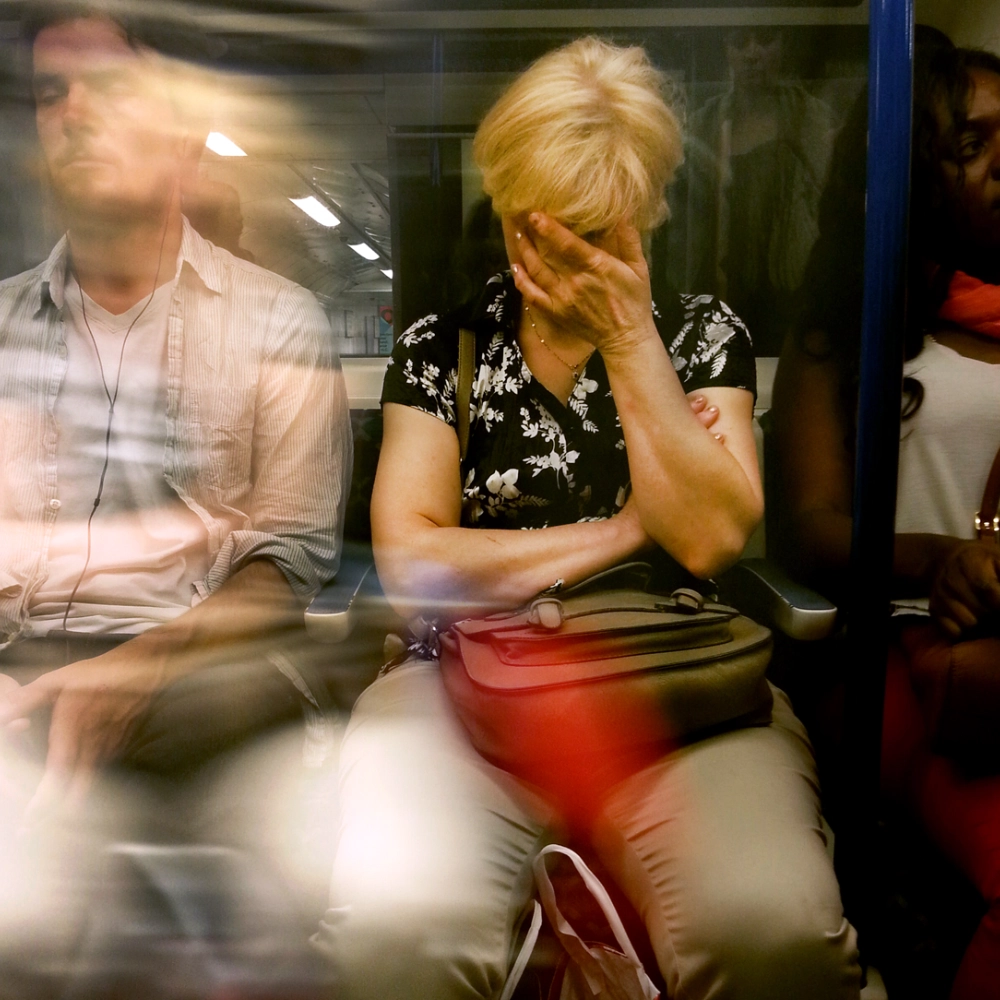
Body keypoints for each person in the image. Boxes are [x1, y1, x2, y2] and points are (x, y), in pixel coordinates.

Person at [314, 36, 861, 1000]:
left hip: (682, 677)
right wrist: (623, 530)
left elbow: (713, 538)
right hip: (461, 681)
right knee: (396, 935)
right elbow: (414, 562)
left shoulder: (702, 336)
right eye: (544, 226)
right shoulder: (446, 348)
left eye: (598, 232)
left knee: (774, 932)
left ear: (646, 210)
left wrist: (627, 335)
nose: (565, 255)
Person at [0, 1, 350, 894]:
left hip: (201, 661)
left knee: (220, 900)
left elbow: (287, 561)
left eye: (109, 88)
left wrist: (134, 671)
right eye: (51, 93)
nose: (72, 112)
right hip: (21, 656)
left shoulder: (279, 321)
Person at [773, 40, 1000, 1000]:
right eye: (974, 143)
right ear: (912, 171)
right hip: (900, 655)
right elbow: (812, 531)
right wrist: (944, 561)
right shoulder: (852, 321)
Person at [665, 27, 833, 356]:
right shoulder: (704, 122)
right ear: (727, 51)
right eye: (740, 42)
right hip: (718, 284)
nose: (752, 53)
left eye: (767, 39)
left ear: (783, 46)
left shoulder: (810, 117)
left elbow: (830, 203)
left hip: (791, 289)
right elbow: (682, 214)